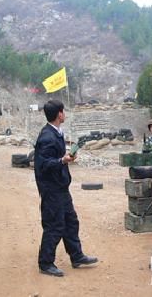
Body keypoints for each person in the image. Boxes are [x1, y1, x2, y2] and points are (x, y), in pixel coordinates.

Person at [34, 100, 98, 277]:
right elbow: (43, 164)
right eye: (63, 111)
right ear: (59, 114)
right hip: (52, 189)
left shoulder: (56, 133)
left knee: (71, 221)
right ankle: (45, 263)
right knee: (54, 225)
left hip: (61, 187)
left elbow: (53, 158)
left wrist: (65, 157)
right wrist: (62, 161)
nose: (65, 114)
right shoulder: (46, 136)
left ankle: (76, 256)